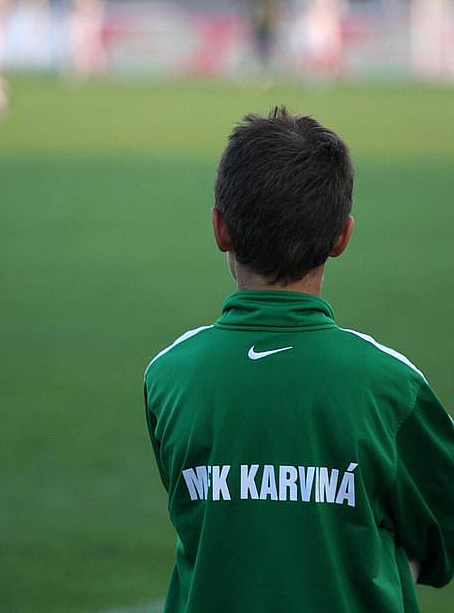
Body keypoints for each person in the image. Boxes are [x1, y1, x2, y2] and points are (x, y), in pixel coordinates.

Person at [144, 108, 454, 613]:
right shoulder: (390, 384)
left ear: (220, 228)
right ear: (342, 237)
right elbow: (442, 542)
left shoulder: (170, 374)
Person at [290, 0, 349, 81]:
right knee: (311, 50)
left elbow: (342, 5)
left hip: (328, 22)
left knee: (329, 51)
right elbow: (301, 5)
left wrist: (332, 15)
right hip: (312, 22)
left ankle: (330, 75)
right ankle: (311, 74)